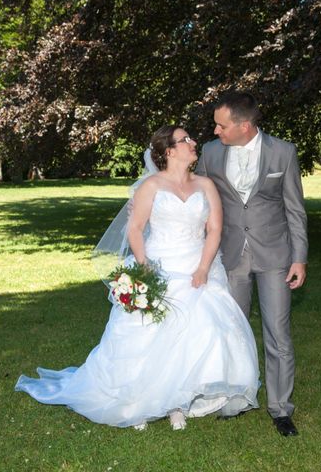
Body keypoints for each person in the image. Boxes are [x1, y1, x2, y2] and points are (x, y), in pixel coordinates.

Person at [15, 125, 259, 430]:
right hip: (158, 265)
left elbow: (215, 230)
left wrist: (203, 268)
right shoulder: (151, 186)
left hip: (198, 266)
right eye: (185, 140)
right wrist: (144, 267)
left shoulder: (206, 185)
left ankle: (178, 402)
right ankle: (137, 403)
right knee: (148, 336)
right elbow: (135, 229)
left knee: (199, 333)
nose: (193, 143)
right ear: (169, 151)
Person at [195, 91, 308, 437]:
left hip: (275, 256)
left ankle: (280, 409)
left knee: (278, 335)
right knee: (232, 332)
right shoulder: (210, 153)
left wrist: (299, 258)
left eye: (221, 125)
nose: (215, 131)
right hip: (230, 255)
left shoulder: (283, 152)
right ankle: (236, 398)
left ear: (244, 126)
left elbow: (294, 209)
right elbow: (199, 198)